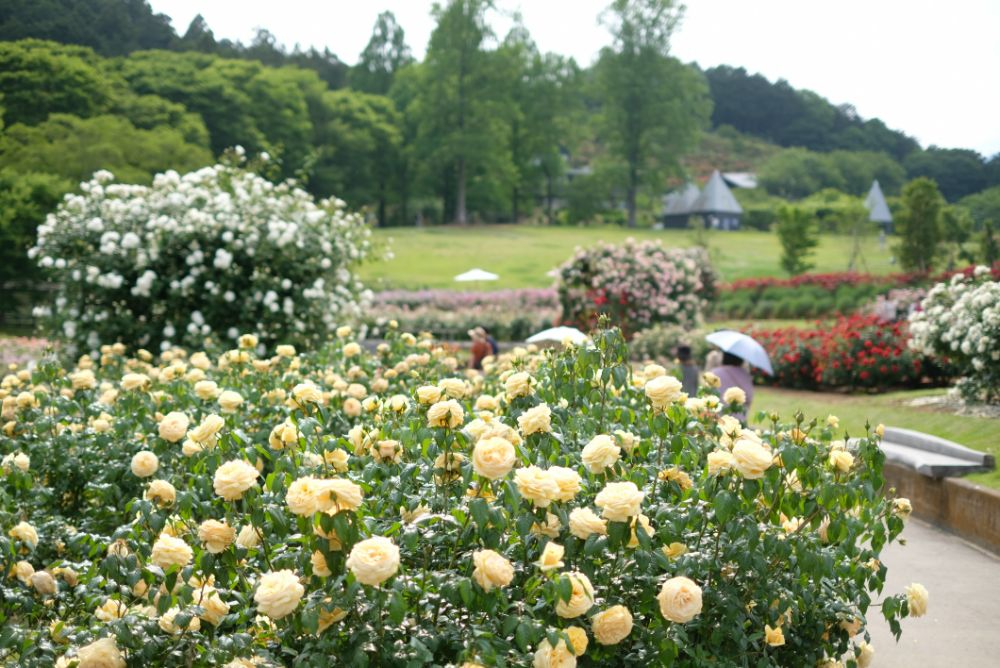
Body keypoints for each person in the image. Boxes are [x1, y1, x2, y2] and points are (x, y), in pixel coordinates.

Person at [710, 351, 754, 423]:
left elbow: (707, 396)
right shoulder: (745, 375)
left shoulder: (714, 373)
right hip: (738, 421)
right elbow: (749, 399)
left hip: (717, 419)